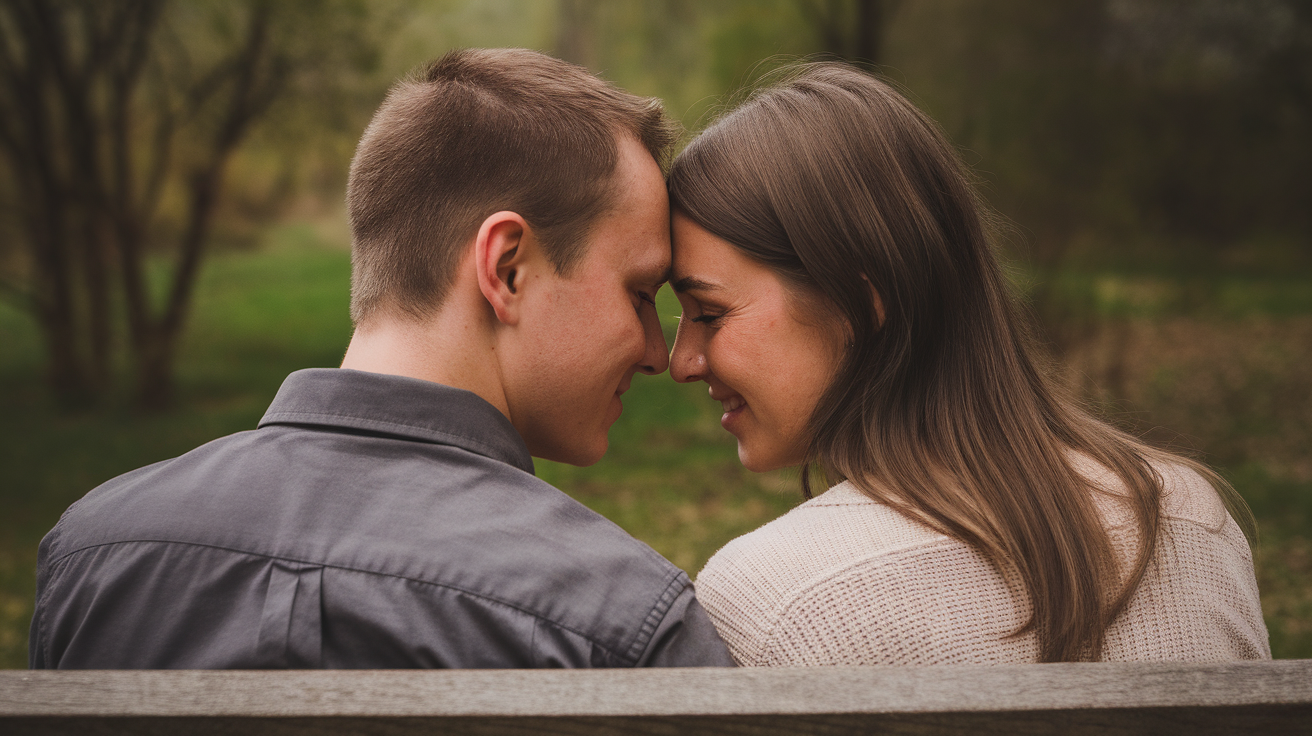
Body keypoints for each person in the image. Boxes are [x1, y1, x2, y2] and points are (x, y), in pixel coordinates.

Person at [29, 48, 734, 669]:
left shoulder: (92, 556)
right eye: (639, 292)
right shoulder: (619, 622)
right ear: (508, 268)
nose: (654, 352)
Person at [666, 63, 1269, 666]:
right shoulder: (1186, 520)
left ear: (861, 300)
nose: (682, 362)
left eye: (710, 313)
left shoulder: (780, 603)